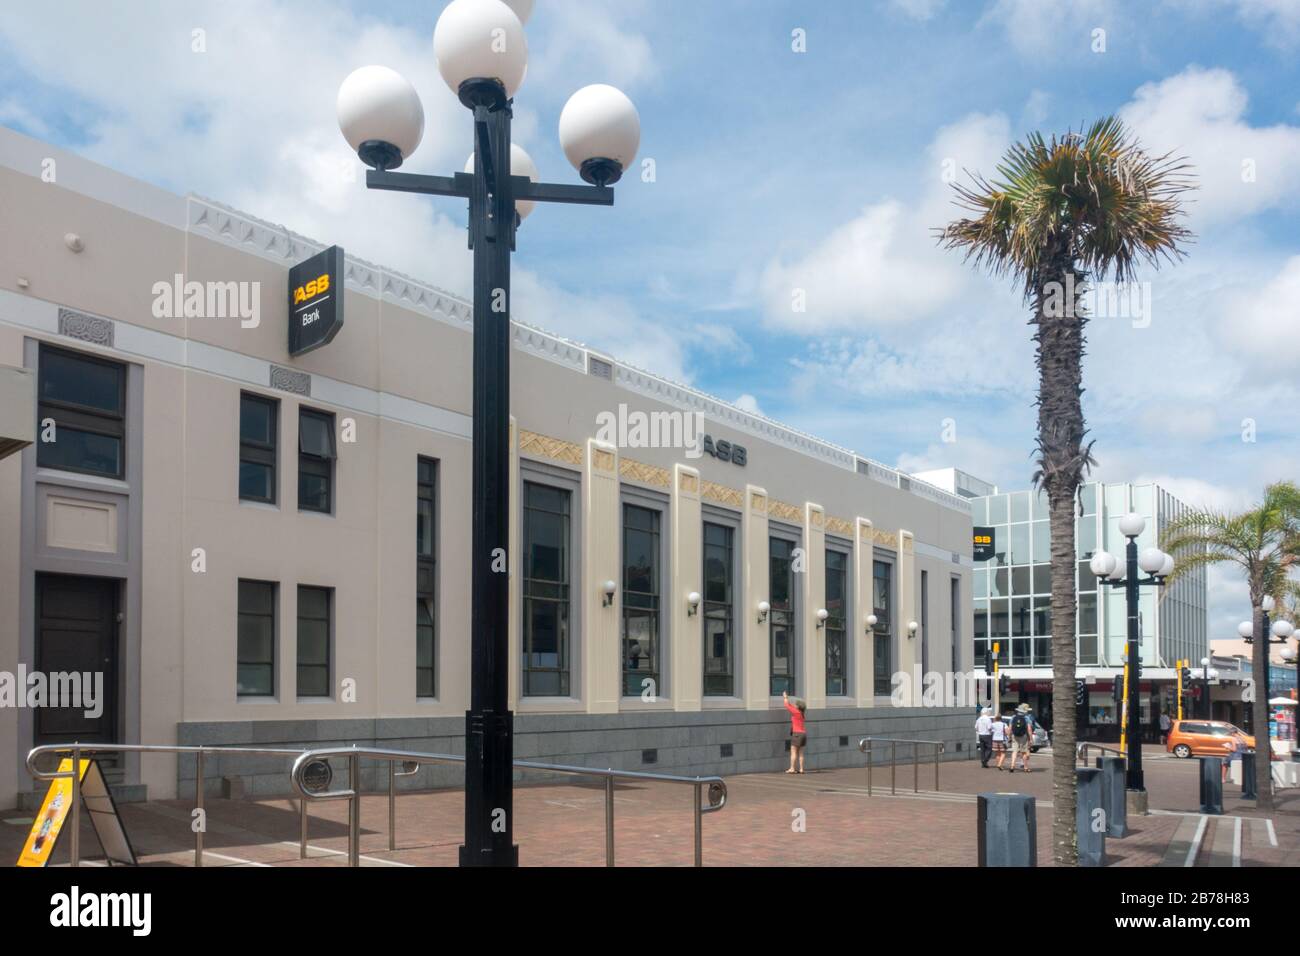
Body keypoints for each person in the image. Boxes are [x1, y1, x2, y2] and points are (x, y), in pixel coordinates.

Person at [783, 690, 807, 774]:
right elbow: (790, 706)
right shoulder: (801, 714)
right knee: (800, 752)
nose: (795, 705)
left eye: (796, 704)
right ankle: (801, 769)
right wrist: (788, 699)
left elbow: (786, 705)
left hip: (797, 734)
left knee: (793, 751)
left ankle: (792, 768)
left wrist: (785, 697)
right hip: (803, 734)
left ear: (798, 707)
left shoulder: (796, 713)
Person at [1010, 703, 1036, 773]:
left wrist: (1009, 736)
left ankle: (1012, 766)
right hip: (1023, 736)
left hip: (1014, 736)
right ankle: (1025, 767)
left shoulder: (1013, 717)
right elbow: (1029, 729)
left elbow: (1010, 728)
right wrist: (1031, 739)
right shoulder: (1026, 718)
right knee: (1024, 752)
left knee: (1014, 751)